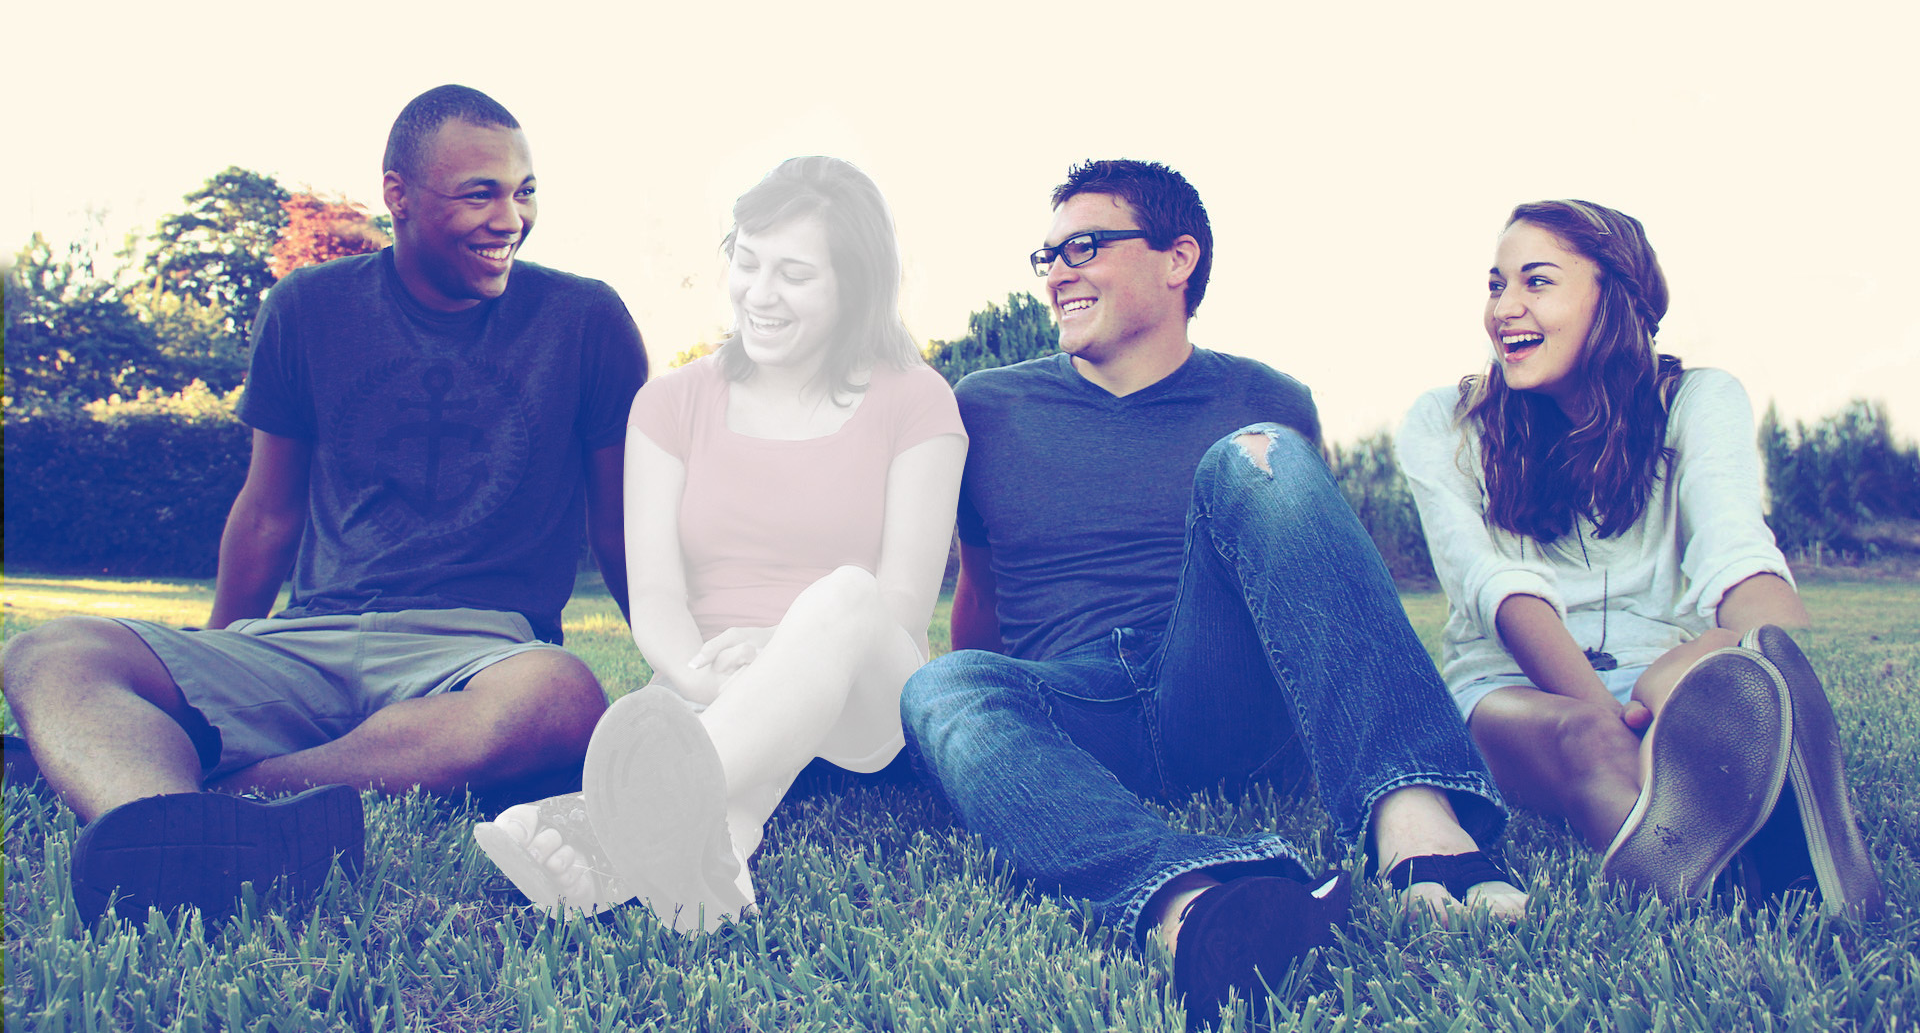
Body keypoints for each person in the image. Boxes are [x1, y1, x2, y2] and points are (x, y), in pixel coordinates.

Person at [899, 160, 1525, 1030]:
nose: (1057, 272)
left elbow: (1302, 572)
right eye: (1045, 256)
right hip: (1080, 708)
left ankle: (1416, 821)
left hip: (1220, 694)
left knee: (1256, 454)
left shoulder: (1269, 399)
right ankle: (1191, 898)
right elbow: (983, 591)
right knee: (941, 682)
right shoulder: (989, 405)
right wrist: (987, 734)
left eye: (1084, 245)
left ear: (1177, 257)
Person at [1, 85, 646, 923]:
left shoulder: (585, 319)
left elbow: (619, 525)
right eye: (479, 192)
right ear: (398, 195)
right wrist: (212, 654)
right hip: (307, 637)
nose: (510, 217)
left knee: (563, 697)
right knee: (50, 651)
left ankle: (218, 799)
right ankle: (150, 810)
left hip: (481, 649)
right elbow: (268, 511)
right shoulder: (308, 307)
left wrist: (680, 671)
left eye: (524, 190)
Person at [474, 155, 966, 933]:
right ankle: (715, 870)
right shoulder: (669, 404)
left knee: (845, 592)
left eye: (795, 273)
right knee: (721, 778)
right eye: (747, 259)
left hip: (864, 698)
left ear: (854, 285)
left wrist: (779, 649)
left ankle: (603, 819)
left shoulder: (918, 398)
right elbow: (659, 596)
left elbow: (903, 605)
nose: (759, 294)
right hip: (701, 687)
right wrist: (707, 682)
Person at [1394, 198, 1884, 918]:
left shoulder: (1699, 399)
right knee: (1585, 737)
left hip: (1667, 674)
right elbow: (1496, 590)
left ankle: (1783, 788)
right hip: (1509, 684)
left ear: (1613, 294)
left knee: (1719, 663)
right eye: (1496, 284)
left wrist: (1775, 663)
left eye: (1537, 282)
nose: (1504, 308)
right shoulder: (1446, 421)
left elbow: (1735, 551)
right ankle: (1725, 883)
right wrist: (1619, 722)